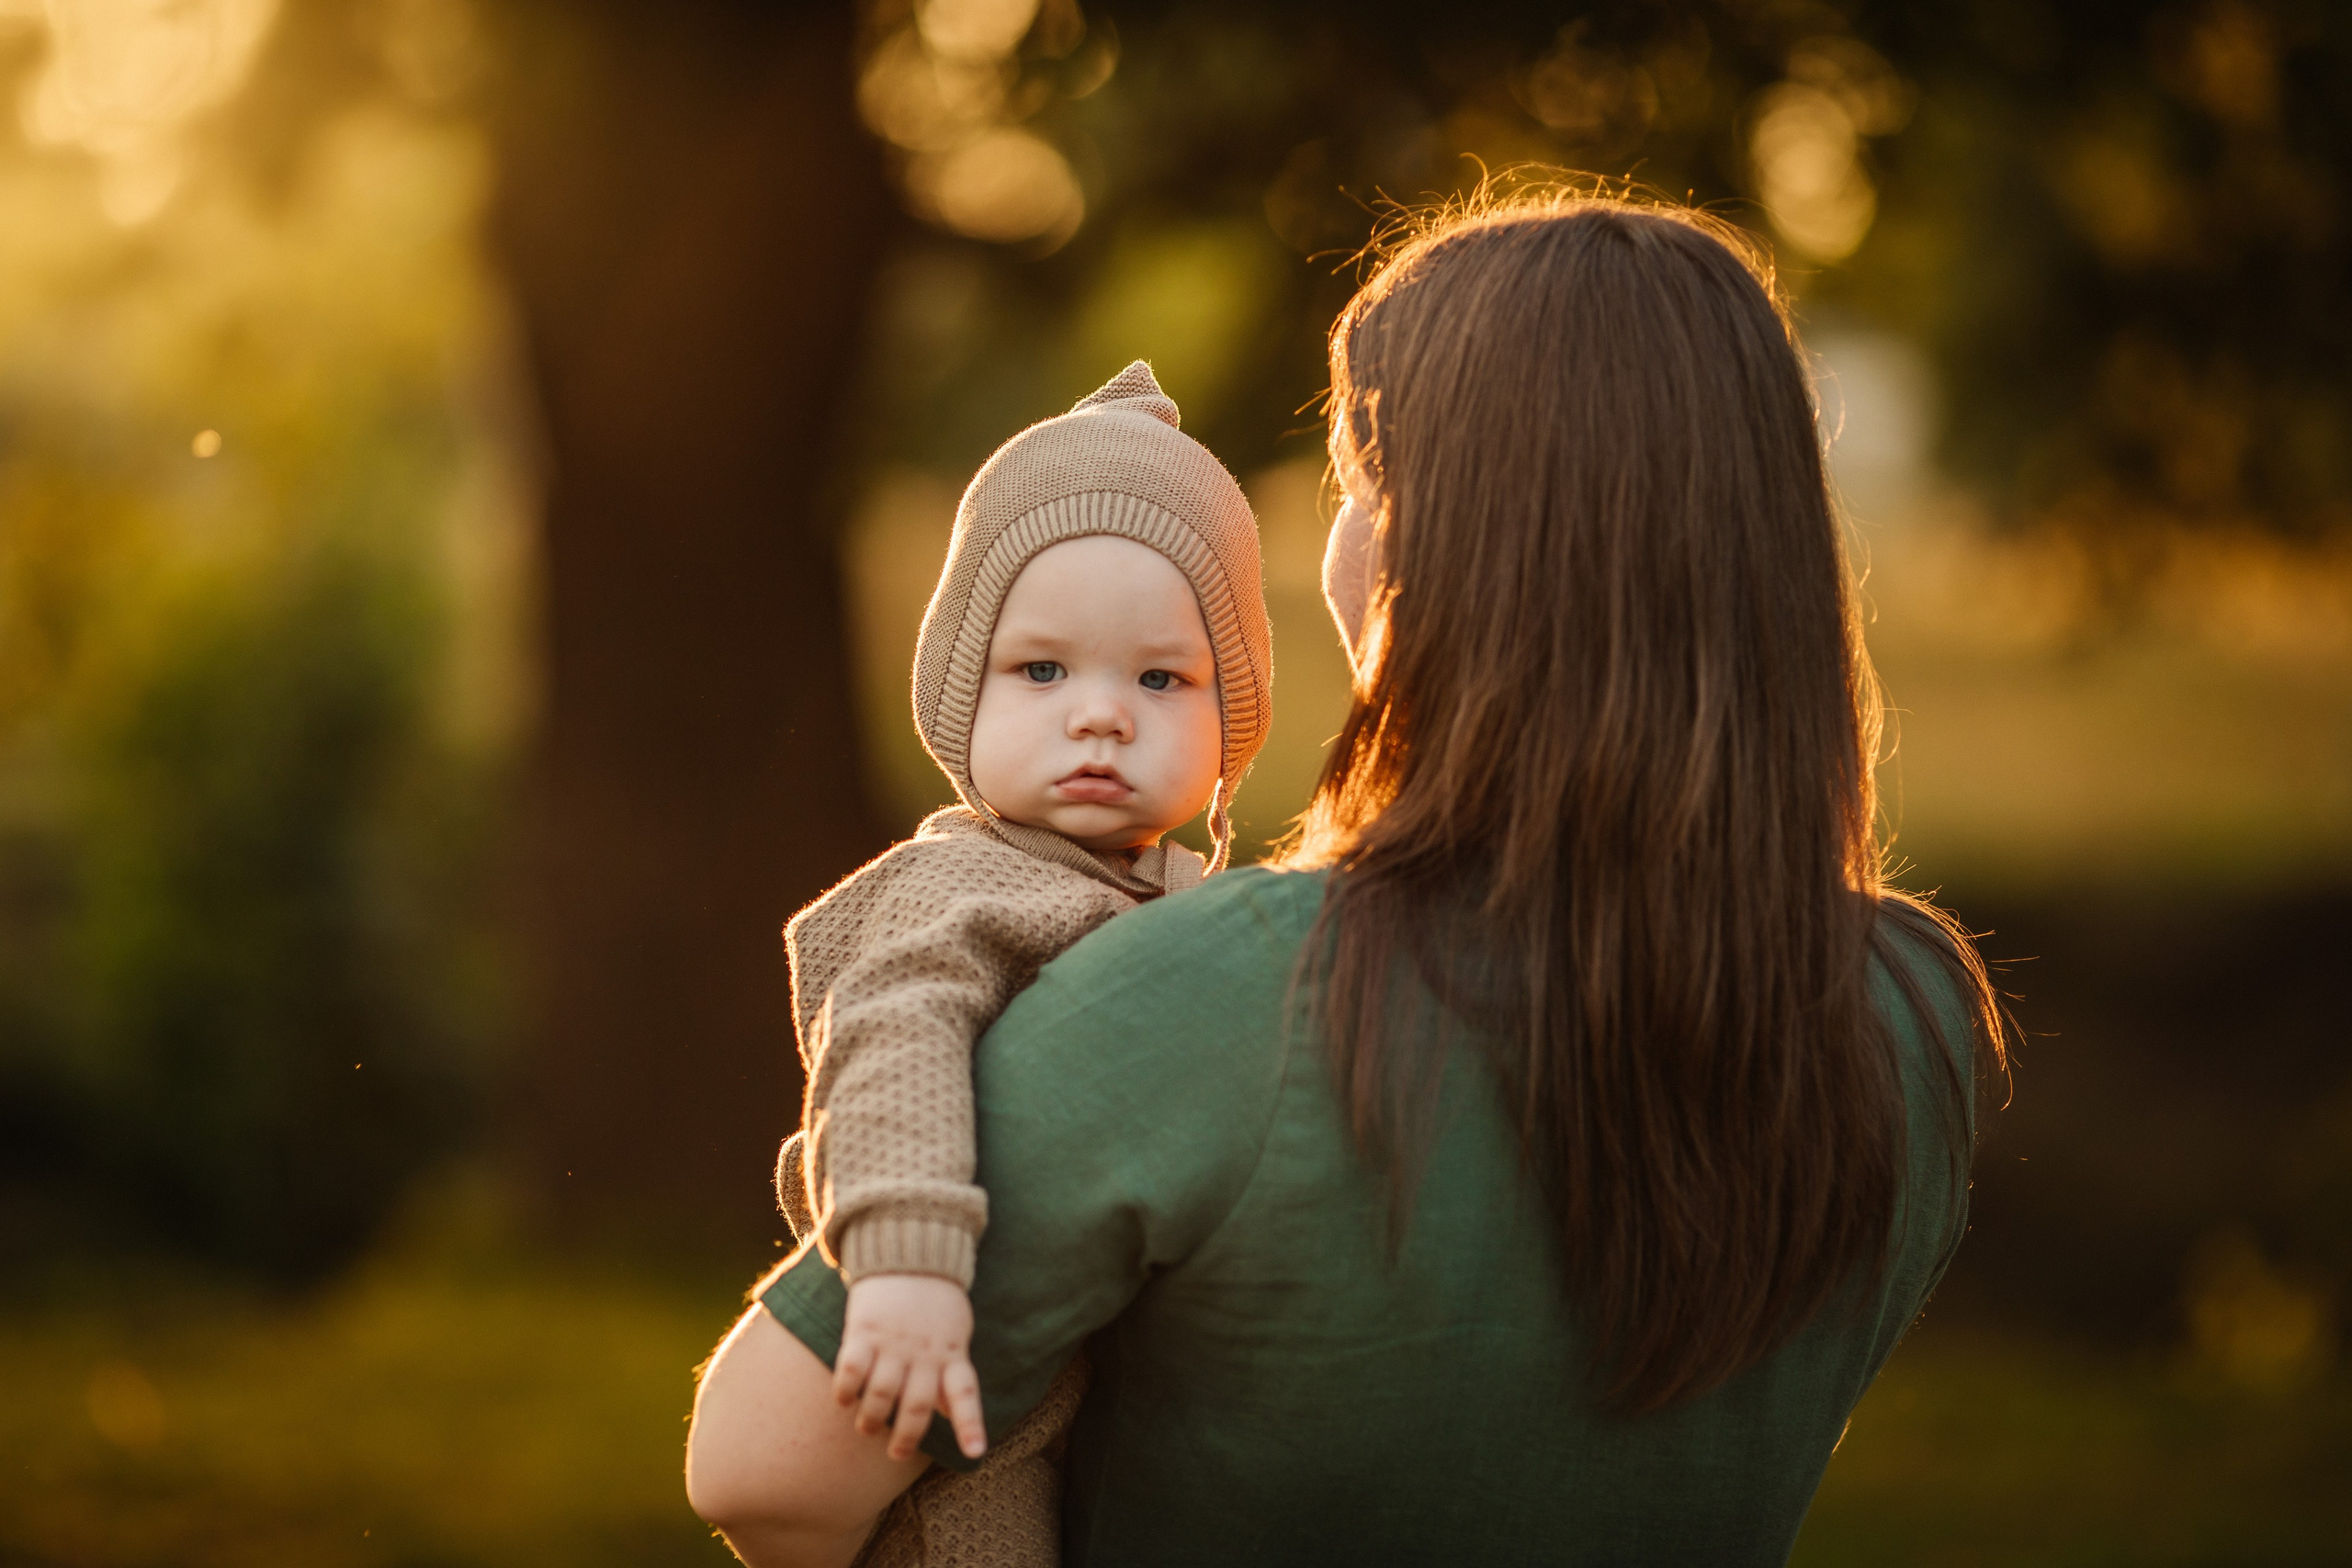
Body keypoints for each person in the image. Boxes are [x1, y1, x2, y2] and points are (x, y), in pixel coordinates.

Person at [686, 193, 2008, 1568]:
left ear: (1427, 548)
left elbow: (764, 1469)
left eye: (1351, 489)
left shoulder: (1217, 997)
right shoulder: (1913, 1023)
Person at [764, 359, 1272, 1567]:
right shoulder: (960, 891)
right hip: (958, 1394)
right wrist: (904, 1265)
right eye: (1043, 671)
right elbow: (889, 1037)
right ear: (960, 698)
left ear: (1228, 719)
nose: (1102, 715)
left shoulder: (1197, 903)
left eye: (1162, 678)